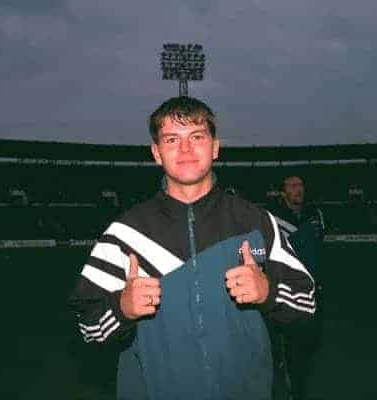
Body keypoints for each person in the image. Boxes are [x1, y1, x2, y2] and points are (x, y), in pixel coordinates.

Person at [69, 96, 316, 400]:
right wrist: (121, 308)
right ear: (156, 153)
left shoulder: (255, 221)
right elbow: (87, 327)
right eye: (172, 139)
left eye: (197, 137)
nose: (185, 149)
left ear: (215, 147)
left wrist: (268, 291)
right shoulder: (126, 233)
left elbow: (307, 303)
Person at [268, 175, 325, 400]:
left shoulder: (316, 214)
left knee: (312, 338)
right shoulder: (274, 217)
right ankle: (293, 387)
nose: (298, 189)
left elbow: (320, 244)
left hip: (314, 286)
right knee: (291, 342)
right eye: (292, 186)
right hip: (287, 287)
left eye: (300, 185)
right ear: (283, 193)